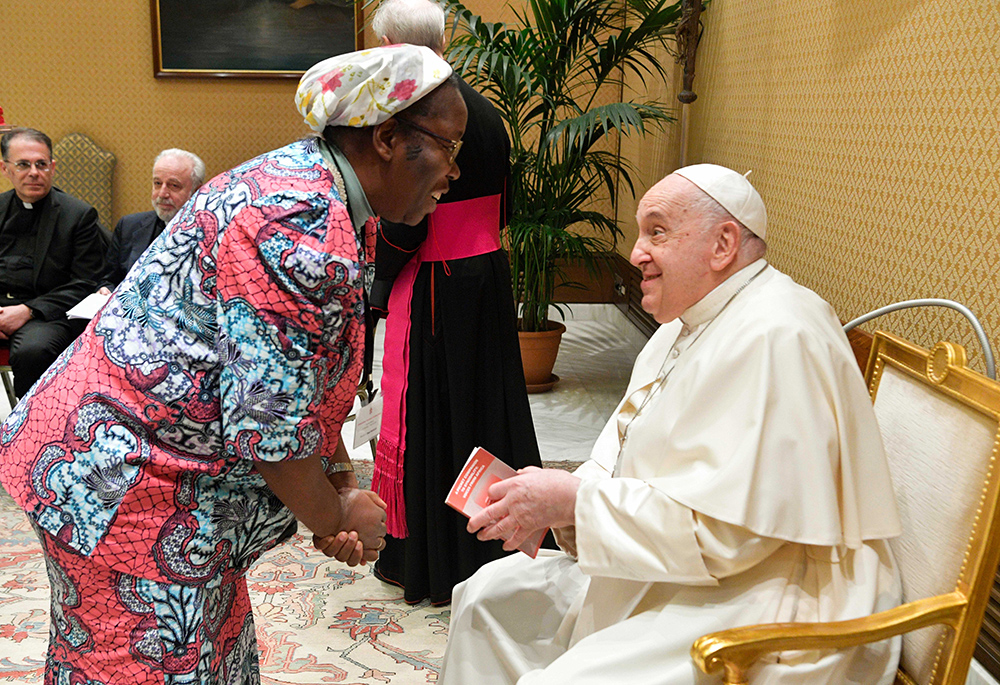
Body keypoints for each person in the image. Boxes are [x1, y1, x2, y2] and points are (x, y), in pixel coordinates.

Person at [0, 45, 467, 683]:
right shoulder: (298, 219)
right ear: (387, 138)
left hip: (163, 494)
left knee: (213, 655)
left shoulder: (321, 186)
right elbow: (269, 428)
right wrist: (335, 516)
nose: (455, 172)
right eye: (450, 146)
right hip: (125, 490)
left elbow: (306, 369)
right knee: (142, 666)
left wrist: (334, 478)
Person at [439, 164, 904, 684]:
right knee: (484, 599)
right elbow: (613, 456)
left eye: (656, 231)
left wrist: (573, 503)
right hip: (680, 565)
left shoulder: (778, 335)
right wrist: (557, 506)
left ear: (723, 244)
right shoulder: (682, 324)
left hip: (767, 595)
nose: (636, 252)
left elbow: (732, 536)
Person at [369, 0, 543, 606]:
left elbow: (407, 220)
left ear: (390, 44)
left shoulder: (417, 115)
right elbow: (507, 205)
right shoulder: (485, 109)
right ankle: (493, 544)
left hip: (434, 284)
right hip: (487, 277)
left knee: (432, 418)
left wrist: (375, 280)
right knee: (483, 407)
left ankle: (432, 558)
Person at [0, 127, 107, 398]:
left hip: (46, 314)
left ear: (53, 167)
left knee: (33, 351)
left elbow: (86, 283)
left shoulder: (78, 215)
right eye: (23, 164)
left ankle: (28, 430)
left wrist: (28, 311)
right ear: (5, 168)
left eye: (41, 164)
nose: (34, 172)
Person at [96, 148, 206, 294]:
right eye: (158, 183)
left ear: (196, 191)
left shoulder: (211, 235)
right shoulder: (128, 226)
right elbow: (109, 279)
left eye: (174, 186)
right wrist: (105, 290)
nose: (162, 193)